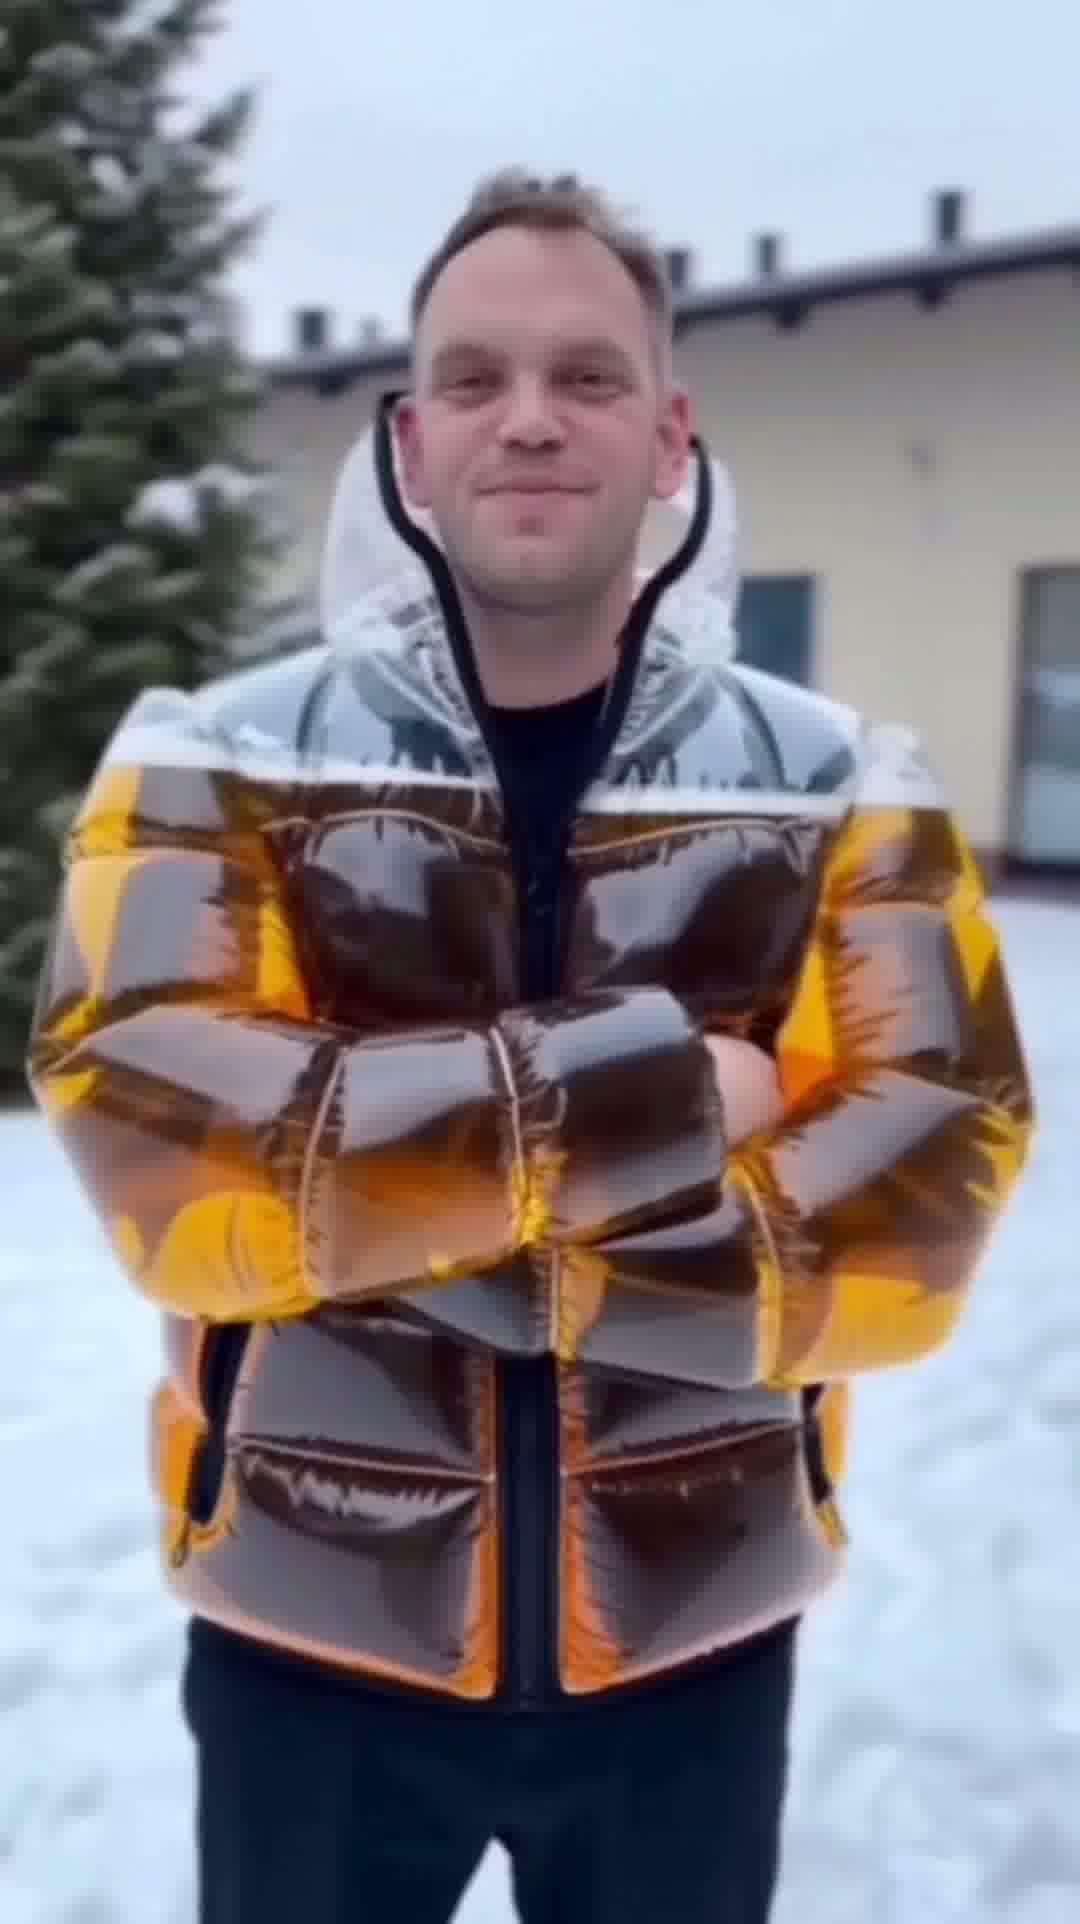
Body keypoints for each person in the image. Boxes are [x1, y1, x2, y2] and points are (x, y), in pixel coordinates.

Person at [28, 169, 1035, 1924]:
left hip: (693, 1645)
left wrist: (429, 1230)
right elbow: (168, 1142)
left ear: (669, 432)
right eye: (478, 378)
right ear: (409, 440)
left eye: (589, 376)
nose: (532, 422)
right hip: (308, 1646)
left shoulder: (840, 781)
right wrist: (662, 1098)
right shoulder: (212, 755)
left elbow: (928, 1183)